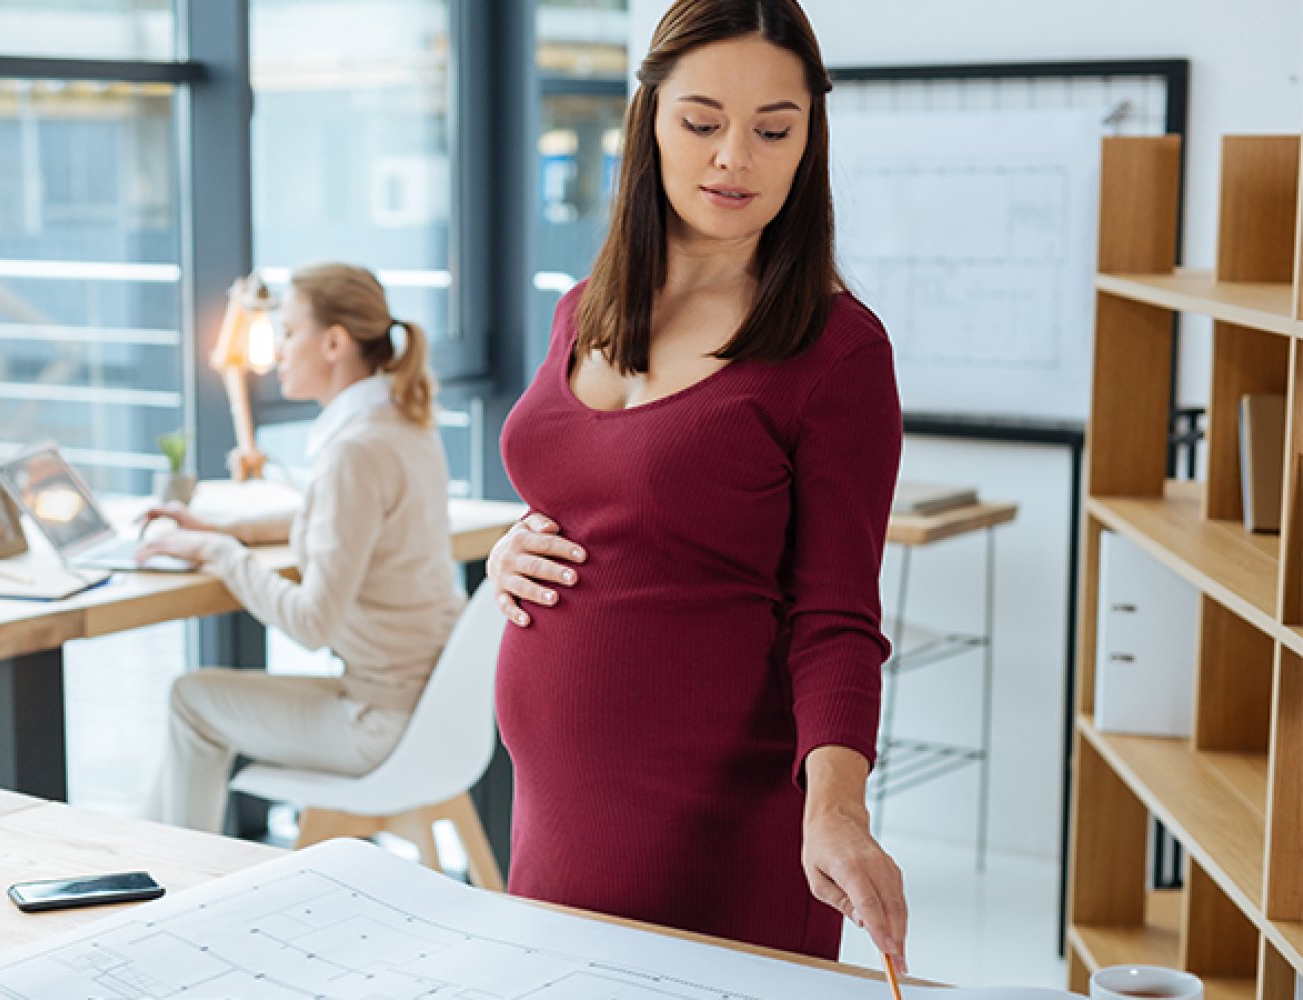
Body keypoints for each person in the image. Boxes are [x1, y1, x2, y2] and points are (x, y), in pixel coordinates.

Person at [487, 0, 909, 972]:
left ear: (809, 137)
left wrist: (837, 807)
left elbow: (837, 614)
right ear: (649, 119)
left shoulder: (836, 350)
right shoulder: (579, 311)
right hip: (552, 809)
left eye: (774, 129)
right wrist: (517, 541)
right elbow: (612, 490)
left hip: (717, 825)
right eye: (703, 121)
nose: (736, 159)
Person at [135, 262, 463, 834]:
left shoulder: (354, 451)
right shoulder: (402, 423)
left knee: (191, 699)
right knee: (195, 705)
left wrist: (219, 555)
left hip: (377, 721)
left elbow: (312, 623)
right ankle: (142, 866)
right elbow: (337, 518)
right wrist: (220, 529)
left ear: (334, 342)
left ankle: (178, 883)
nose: (277, 351)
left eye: (288, 332)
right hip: (429, 710)